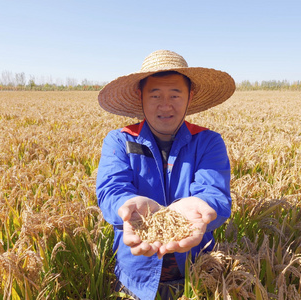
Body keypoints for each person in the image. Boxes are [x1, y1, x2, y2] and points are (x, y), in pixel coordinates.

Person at [96, 50, 235, 300]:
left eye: (175, 94)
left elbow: (215, 195)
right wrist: (126, 205)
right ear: (140, 96)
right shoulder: (120, 140)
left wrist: (201, 207)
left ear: (190, 96)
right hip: (135, 276)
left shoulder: (207, 142)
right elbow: (111, 190)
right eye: (156, 95)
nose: (165, 105)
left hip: (196, 271)